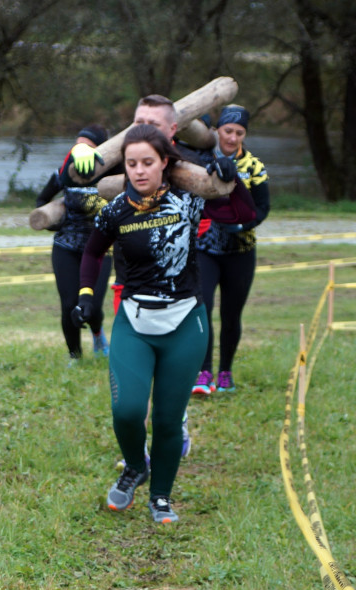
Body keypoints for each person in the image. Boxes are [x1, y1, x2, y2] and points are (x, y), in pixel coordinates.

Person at [73, 124, 255, 523]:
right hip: (134, 323)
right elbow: (91, 254)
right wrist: (86, 295)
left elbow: (246, 214)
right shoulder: (116, 209)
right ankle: (136, 466)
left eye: (147, 163)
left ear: (165, 163)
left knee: (168, 420)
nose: (139, 171)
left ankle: (161, 496)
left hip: (185, 325)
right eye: (132, 163)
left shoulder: (189, 200)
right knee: (127, 411)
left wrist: (232, 179)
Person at [192, 105, 270, 395]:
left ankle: (225, 372)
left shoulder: (254, 166)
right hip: (205, 249)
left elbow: (263, 209)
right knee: (202, 309)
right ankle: (204, 372)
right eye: (228, 131)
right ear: (216, 131)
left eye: (239, 133)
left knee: (231, 314)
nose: (233, 137)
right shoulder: (201, 161)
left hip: (241, 251)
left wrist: (244, 225)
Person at [36, 125, 112, 363]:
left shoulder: (113, 172)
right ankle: (74, 355)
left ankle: (98, 334)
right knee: (69, 303)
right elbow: (41, 199)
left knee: (93, 305)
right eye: (77, 144)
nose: (80, 149)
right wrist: (53, 222)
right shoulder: (66, 171)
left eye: (87, 145)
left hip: (101, 247)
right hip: (67, 246)